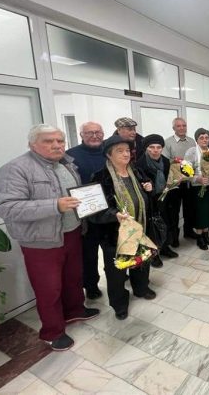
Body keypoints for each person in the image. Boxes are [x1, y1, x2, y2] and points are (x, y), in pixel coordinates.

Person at [0, 125, 99, 351]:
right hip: (41, 241)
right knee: (49, 288)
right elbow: (6, 208)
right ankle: (52, 332)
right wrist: (54, 205)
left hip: (72, 232)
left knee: (73, 278)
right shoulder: (15, 169)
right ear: (32, 144)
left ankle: (74, 310)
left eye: (60, 141)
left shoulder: (67, 164)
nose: (56, 145)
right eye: (48, 141)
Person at [90, 136, 157, 320]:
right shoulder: (100, 177)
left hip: (140, 227)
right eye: (120, 151)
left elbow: (149, 197)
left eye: (127, 150)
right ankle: (119, 304)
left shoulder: (136, 171)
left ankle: (141, 288)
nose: (126, 154)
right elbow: (95, 210)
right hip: (115, 234)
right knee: (117, 272)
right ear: (108, 155)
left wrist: (149, 188)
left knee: (141, 261)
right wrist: (114, 215)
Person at [66, 121, 106, 300]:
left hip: (111, 211)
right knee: (89, 253)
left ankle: (118, 274)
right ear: (81, 135)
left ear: (103, 133)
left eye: (98, 132)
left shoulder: (110, 151)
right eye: (89, 133)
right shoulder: (69, 156)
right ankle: (91, 285)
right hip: (86, 214)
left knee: (113, 248)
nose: (94, 136)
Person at [135, 134, 179, 266]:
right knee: (152, 227)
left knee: (165, 223)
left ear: (162, 148)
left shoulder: (165, 161)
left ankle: (164, 247)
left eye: (158, 147)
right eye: (151, 147)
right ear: (146, 148)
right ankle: (153, 254)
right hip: (149, 200)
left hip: (164, 198)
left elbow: (170, 178)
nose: (155, 150)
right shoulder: (139, 164)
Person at [163, 117, 198, 243]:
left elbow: (195, 158)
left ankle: (188, 231)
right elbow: (165, 161)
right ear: (174, 128)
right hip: (175, 182)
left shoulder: (192, 141)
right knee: (174, 211)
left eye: (184, 125)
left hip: (189, 181)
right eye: (179, 126)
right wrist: (176, 160)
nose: (182, 128)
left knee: (190, 208)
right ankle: (174, 237)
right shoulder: (167, 142)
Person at [185, 128, 209, 250]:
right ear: (197, 140)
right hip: (197, 188)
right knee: (200, 213)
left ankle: (206, 235)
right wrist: (197, 179)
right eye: (201, 138)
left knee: (208, 212)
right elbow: (185, 171)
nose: (204, 140)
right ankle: (200, 238)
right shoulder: (191, 152)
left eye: (206, 138)